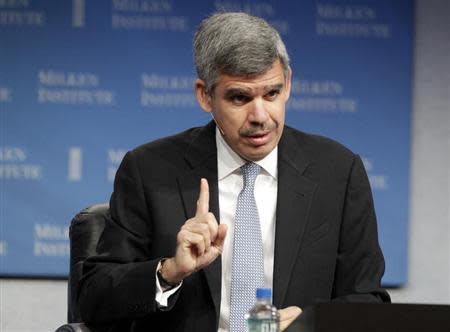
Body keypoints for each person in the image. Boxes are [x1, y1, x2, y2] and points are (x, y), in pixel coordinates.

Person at [78, 12, 390, 332]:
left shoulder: (337, 172)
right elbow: (92, 296)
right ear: (205, 95)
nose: (260, 116)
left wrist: (312, 323)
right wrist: (168, 271)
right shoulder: (149, 171)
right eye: (240, 97)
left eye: (271, 93)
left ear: (288, 84)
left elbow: (367, 300)